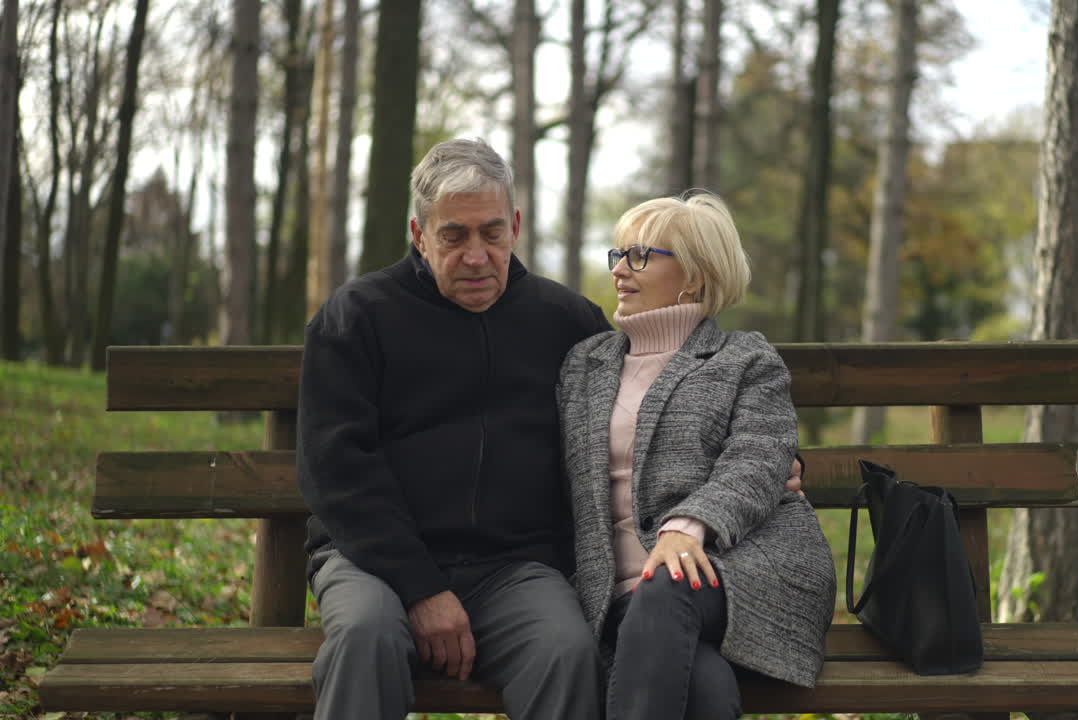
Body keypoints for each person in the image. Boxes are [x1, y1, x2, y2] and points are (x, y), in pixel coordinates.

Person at [296, 137, 613, 720]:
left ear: (515, 226)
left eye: (491, 233)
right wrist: (421, 588)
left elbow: (648, 408)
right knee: (365, 638)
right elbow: (336, 468)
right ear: (419, 235)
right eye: (453, 236)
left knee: (567, 652)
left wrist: (767, 454)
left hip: (513, 569)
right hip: (373, 564)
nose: (476, 256)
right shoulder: (356, 316)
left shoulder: (568, 322)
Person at [557, 192, 836, 720]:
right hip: (619, 595)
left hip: (741, 570)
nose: (620, 269)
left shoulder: (744, 359)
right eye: (618, 254)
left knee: (669, 582)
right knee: (706, 690)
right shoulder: (584, 365)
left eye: (640, 256)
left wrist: (687, 528)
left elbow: (759, 453)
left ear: (695, 275)